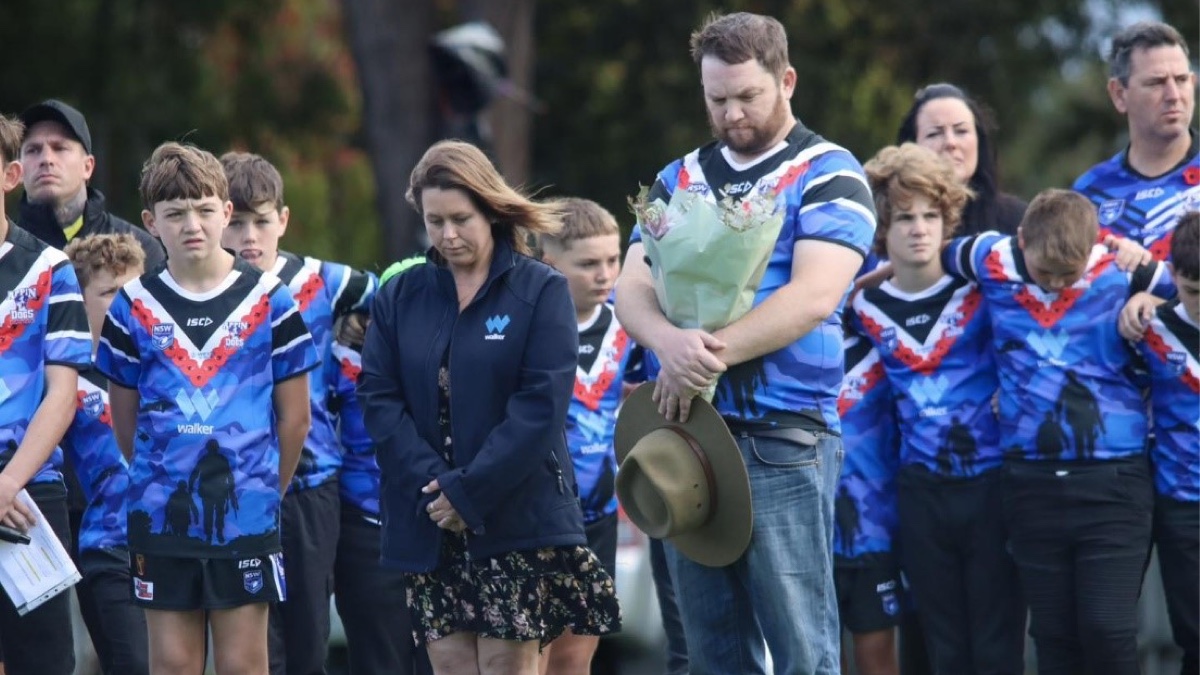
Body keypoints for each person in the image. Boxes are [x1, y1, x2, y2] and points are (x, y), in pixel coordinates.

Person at [615, 12, 876, 674]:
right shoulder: (680, 177)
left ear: (786, 80)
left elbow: (814, 295)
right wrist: (669, 343)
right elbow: (630, 287)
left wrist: (706, 353)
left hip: (782, 437)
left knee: (800, 646)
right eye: (716, 98)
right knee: (712, 651)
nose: (731, 113)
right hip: (687, 434)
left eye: (747, 96)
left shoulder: (830, 172)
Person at [358, 140, 620, 675]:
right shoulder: (400, 295)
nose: (448, 235)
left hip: (516, 516)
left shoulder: (541, 289)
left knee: (508, 667)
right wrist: (440, 488)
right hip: (430, 516)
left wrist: (470, 491)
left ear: (491, 211)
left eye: (461, 219)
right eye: (435, 221)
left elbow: (539, 408)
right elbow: (379, 399)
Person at [96, 142, 319, 675]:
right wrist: (160, 475)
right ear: (151, 222)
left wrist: (265, 488)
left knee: (243, 664)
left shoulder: (272, 299)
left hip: (246, 513)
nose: (191, 224)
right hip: (161, 512)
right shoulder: (132, 307)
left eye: (203, 209)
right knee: (172, 663)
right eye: (175, 213)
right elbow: (124, 419)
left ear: (224, 210)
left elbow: (296, 418)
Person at [939, 189, 1173, 674]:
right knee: (1053, 637)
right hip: (1030, 481)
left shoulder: (1123, 267)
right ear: (1021, 240)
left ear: (1092, 251)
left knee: (1107, 631)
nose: (1057, 285)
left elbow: (1187, 285)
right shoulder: (989, 255)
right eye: (1046, 273)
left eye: (1070, 275)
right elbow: (935, 255)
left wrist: (1151, 291)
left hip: (1115, 481)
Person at [852, 143, 1024, 673]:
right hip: (920, 492)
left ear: (949, 217)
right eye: (904, 217)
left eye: (931, 215)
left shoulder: (981, 289)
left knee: (996, 646)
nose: (919, 228)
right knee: (943, 647)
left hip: (991, 485)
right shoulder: (860, 305)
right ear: (882, 227)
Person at [218, 151, 376, 675]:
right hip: (229, 488)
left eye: (261, 221)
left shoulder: (327, 282)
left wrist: (361, 334)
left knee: (308, 637)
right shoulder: (198, 289)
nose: (248, 237)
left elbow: (396, 289)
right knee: (247, 643)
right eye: (235, 222)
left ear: (282, 220)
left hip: (310, 486)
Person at [0, 113, 91, 675]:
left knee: (44, 663)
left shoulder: (50, 267)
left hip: (29, 493)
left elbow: (64, 393)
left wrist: (8, 481)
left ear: (10, 174)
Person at [537, 197, 635, 675]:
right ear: (549, 263)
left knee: (578, 654)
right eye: (589, 264)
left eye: (613, 260)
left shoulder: (631, 321)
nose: (605, 274)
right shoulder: (525, 321)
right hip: (533, 514)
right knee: (529, 650)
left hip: (599, 513)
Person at [62, 233, 150, 675]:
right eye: (110, 291)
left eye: (133, 289)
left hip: (171, 543)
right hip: (109, 546)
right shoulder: (64, 377)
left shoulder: (163, 362)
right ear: (79, 300)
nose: (126, 302)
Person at [1126, 210, 1199, 674]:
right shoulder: (1150, 328)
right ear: (1172, 275)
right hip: (1182, 506)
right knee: (1194, 637)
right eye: (1194, 293)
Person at [1074, 21, 1197, 261]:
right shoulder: (1089, 193)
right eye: (1156, 83)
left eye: (1181, 80)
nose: (1174, 96)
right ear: (1119, 95)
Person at [17, 99, 165, 267]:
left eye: (59, 148)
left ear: (87, 167)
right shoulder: (5, 250)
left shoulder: (140, 250)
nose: (46, 159)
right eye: (33, 150)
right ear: (18, 170)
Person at [833, 331, 902, 675]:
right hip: (806, 538)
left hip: (874, 534)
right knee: (823, 658)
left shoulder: (882, 351)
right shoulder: (784, 351)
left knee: (877, 657)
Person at [897, 83, 1027, 236]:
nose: (950, 142)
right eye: (934, 134)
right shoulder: (889, 221)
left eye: (961, 131)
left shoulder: (1017, 219)